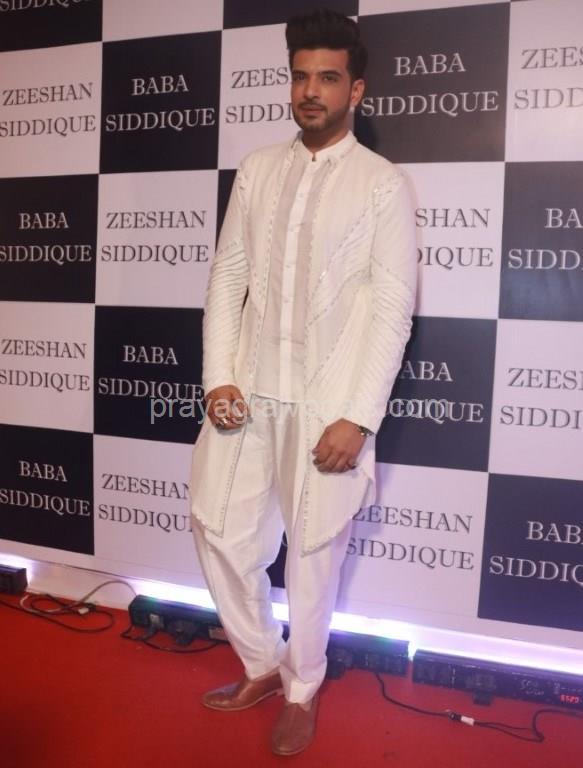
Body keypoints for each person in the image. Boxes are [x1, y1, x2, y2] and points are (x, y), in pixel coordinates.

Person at [189, 8, 417, 757]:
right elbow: (227, 278)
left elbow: (392, 310)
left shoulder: (381, 184)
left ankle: (301, 688)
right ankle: (261, 662)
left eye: (327, 77)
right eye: (299, 76)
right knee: (217, 528)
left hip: (326, 406)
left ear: (356, 89)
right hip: (249, 396)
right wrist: (218, 377)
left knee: (314, 559)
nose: (310, 91)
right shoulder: (258, 169)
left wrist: (358, 416)